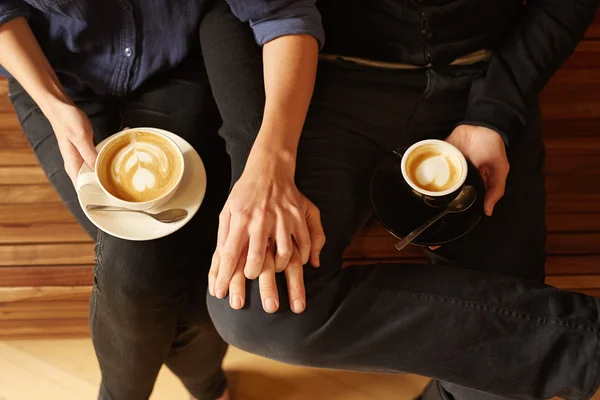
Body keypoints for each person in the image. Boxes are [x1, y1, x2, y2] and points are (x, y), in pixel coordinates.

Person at [200, 0, 600, 399]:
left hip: (487, 77)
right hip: (324, 79)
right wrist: (262, 161)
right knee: (254, 304)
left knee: (496, 386)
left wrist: (494, 113)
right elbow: (227, 14)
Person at [0, 2, 234, 399]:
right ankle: (206, 386)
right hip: (51, 72)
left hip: (177, 65)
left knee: (183, 272)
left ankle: (200, 385)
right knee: (138, 272)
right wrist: (54, 106)